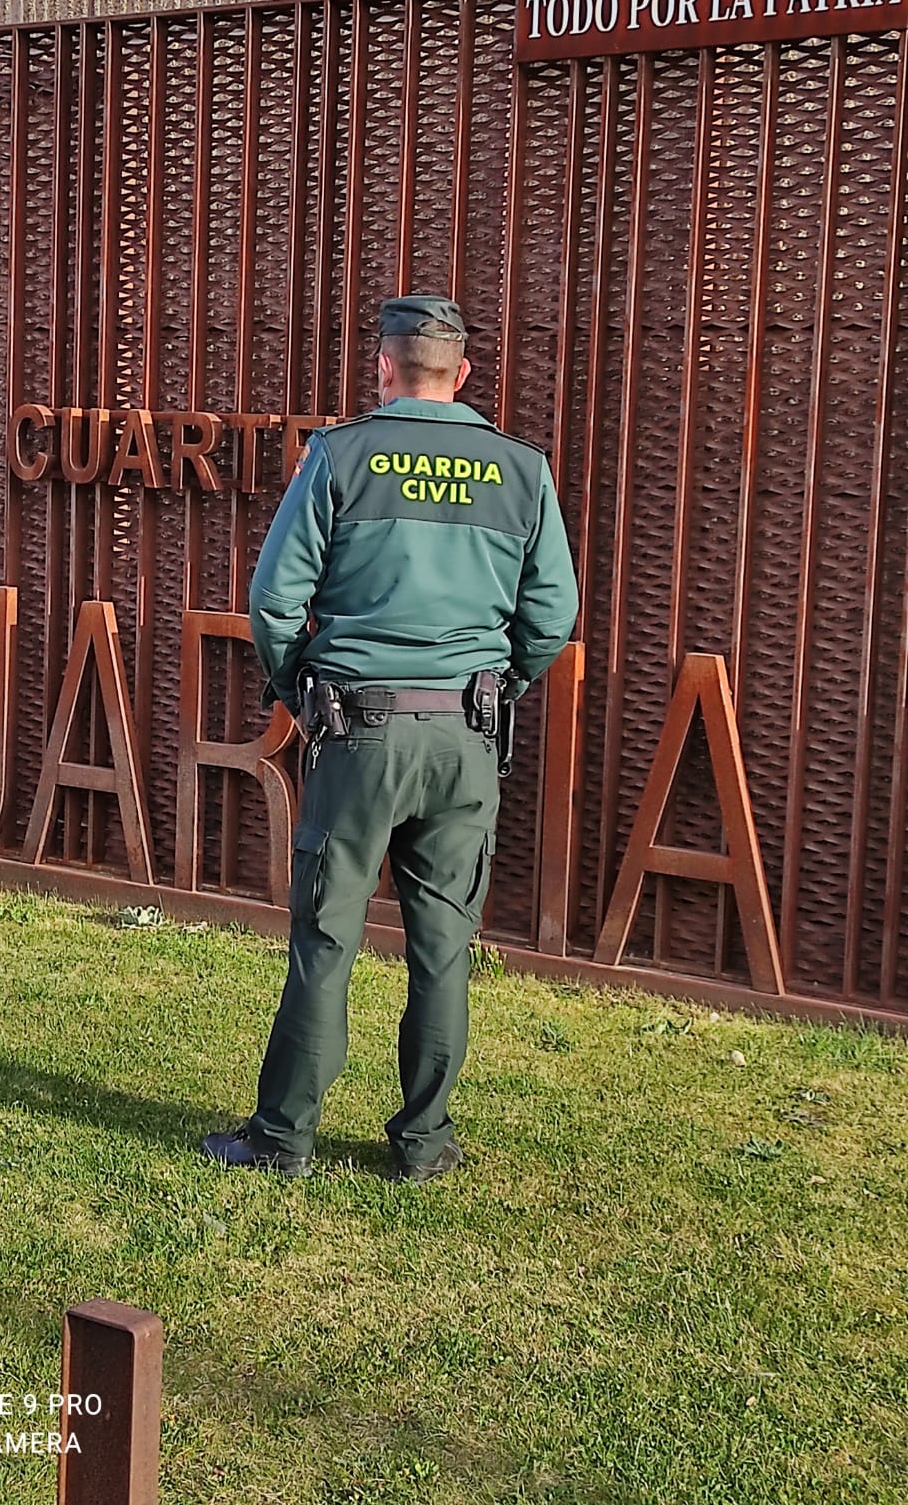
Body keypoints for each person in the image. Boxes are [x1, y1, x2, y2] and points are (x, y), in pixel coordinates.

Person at [200, 295, 579, 1183]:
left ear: (383, 366)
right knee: (442, 949)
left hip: (359, 730)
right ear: (463, 372)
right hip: (464, 736)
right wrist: (497, 689)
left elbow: (273, 601)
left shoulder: (341, 456)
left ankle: (283, 1139)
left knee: (326, 939)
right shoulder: (521, 469)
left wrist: (298, 690)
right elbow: (551, 616)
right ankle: (422, 1145)